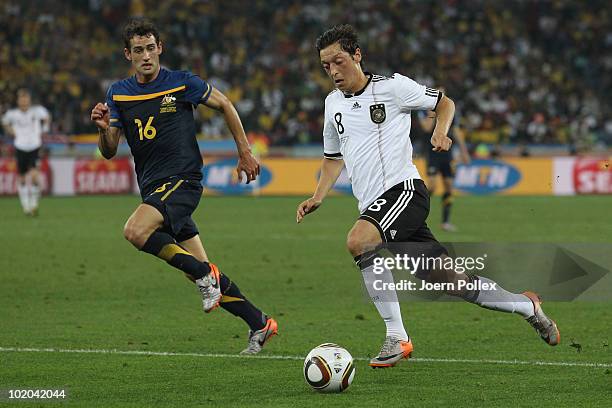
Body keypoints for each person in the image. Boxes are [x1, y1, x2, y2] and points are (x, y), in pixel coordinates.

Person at [296, 24, 559, 368]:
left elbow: (445, 103)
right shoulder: (333, 105)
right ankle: (529, 307)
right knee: (453, 281)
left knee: (359, 240)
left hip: (405, 192)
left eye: (338, 61)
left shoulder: (393, 88)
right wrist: (318, 195)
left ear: (357, 55)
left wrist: (440, 130)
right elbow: (333, 158)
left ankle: (398, 336)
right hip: (377, 207)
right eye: (325, 66)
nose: (332, 71)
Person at [90, 19, 277, 354]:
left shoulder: (180, 83)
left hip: (183, 180)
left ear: (159, 48)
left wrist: (245, 151)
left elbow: (225, 105)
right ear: (127, 55)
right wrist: (104, 128)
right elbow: (108, 150)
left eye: (150, 48)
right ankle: (259, 322)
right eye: (138, 50)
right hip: (152, 188)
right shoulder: (118, 92)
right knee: (192, 269)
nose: (145, 55)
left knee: (135, 230)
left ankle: (205, 274)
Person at [417, 99, 470, 231]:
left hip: (448, 153)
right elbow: (427, 127)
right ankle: (416, 213)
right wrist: (433, 111)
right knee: (432, 186)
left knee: (449, 187)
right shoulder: (425, 112)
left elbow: (456, 132)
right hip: (433, 153)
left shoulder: (450, 112)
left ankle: (445, 222)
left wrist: (464, 151)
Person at [2, 89, 50, 216]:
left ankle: (34, 204)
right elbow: (5, 122)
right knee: (22, 178)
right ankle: (26, 206)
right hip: (20, 146)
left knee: (34, 175)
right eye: (21, 99)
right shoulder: (13, 114)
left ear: (29, 100)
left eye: (26, 98)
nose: (24, 101)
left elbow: (47, 116)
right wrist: (11, 131)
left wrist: (44, 128)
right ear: (18, 101)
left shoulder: (37, 111)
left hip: (34, 146)